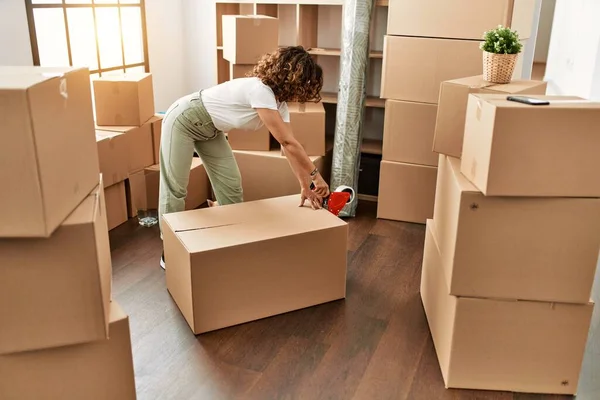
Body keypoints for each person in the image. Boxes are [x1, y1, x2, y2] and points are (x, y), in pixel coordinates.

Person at [158, 45, 330, 269]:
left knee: (231, 187)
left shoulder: (280, 104)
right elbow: (289, 142)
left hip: (210, 130)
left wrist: (305, 185)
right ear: (293, 77)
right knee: (176, 189)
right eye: (305, 84)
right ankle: (168, 251)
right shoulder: (259, 90)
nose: (304, 91)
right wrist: (316, 176)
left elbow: (288, 147)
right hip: (184, 119)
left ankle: (232, 240)